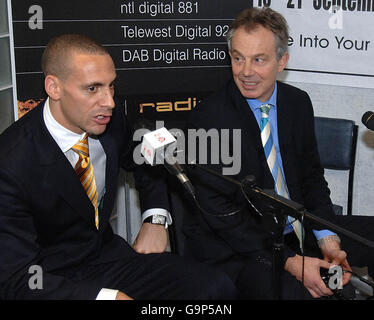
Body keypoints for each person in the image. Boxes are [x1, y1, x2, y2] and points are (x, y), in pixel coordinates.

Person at [0, 34, 236, 300]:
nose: (109, 101)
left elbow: (146, 158)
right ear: (54, 88)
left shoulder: (108, 122)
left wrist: (155, 217)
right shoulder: (10, 163)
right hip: (48, 280)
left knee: (214, 287)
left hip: (108, 259)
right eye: (93, 88)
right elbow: (16, 280)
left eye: (111, 86)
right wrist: (105, 298)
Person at [176, 7, 374, 299]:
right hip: (239, 246)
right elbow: (221, 214)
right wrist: (291, 263)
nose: (245, 71)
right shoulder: (208, 118)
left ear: (283, 60)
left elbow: (311, 178)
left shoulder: (297, 103)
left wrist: (328, 239)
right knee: (304, 295)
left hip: (296, 229)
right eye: (238, 58)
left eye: (259, 60)